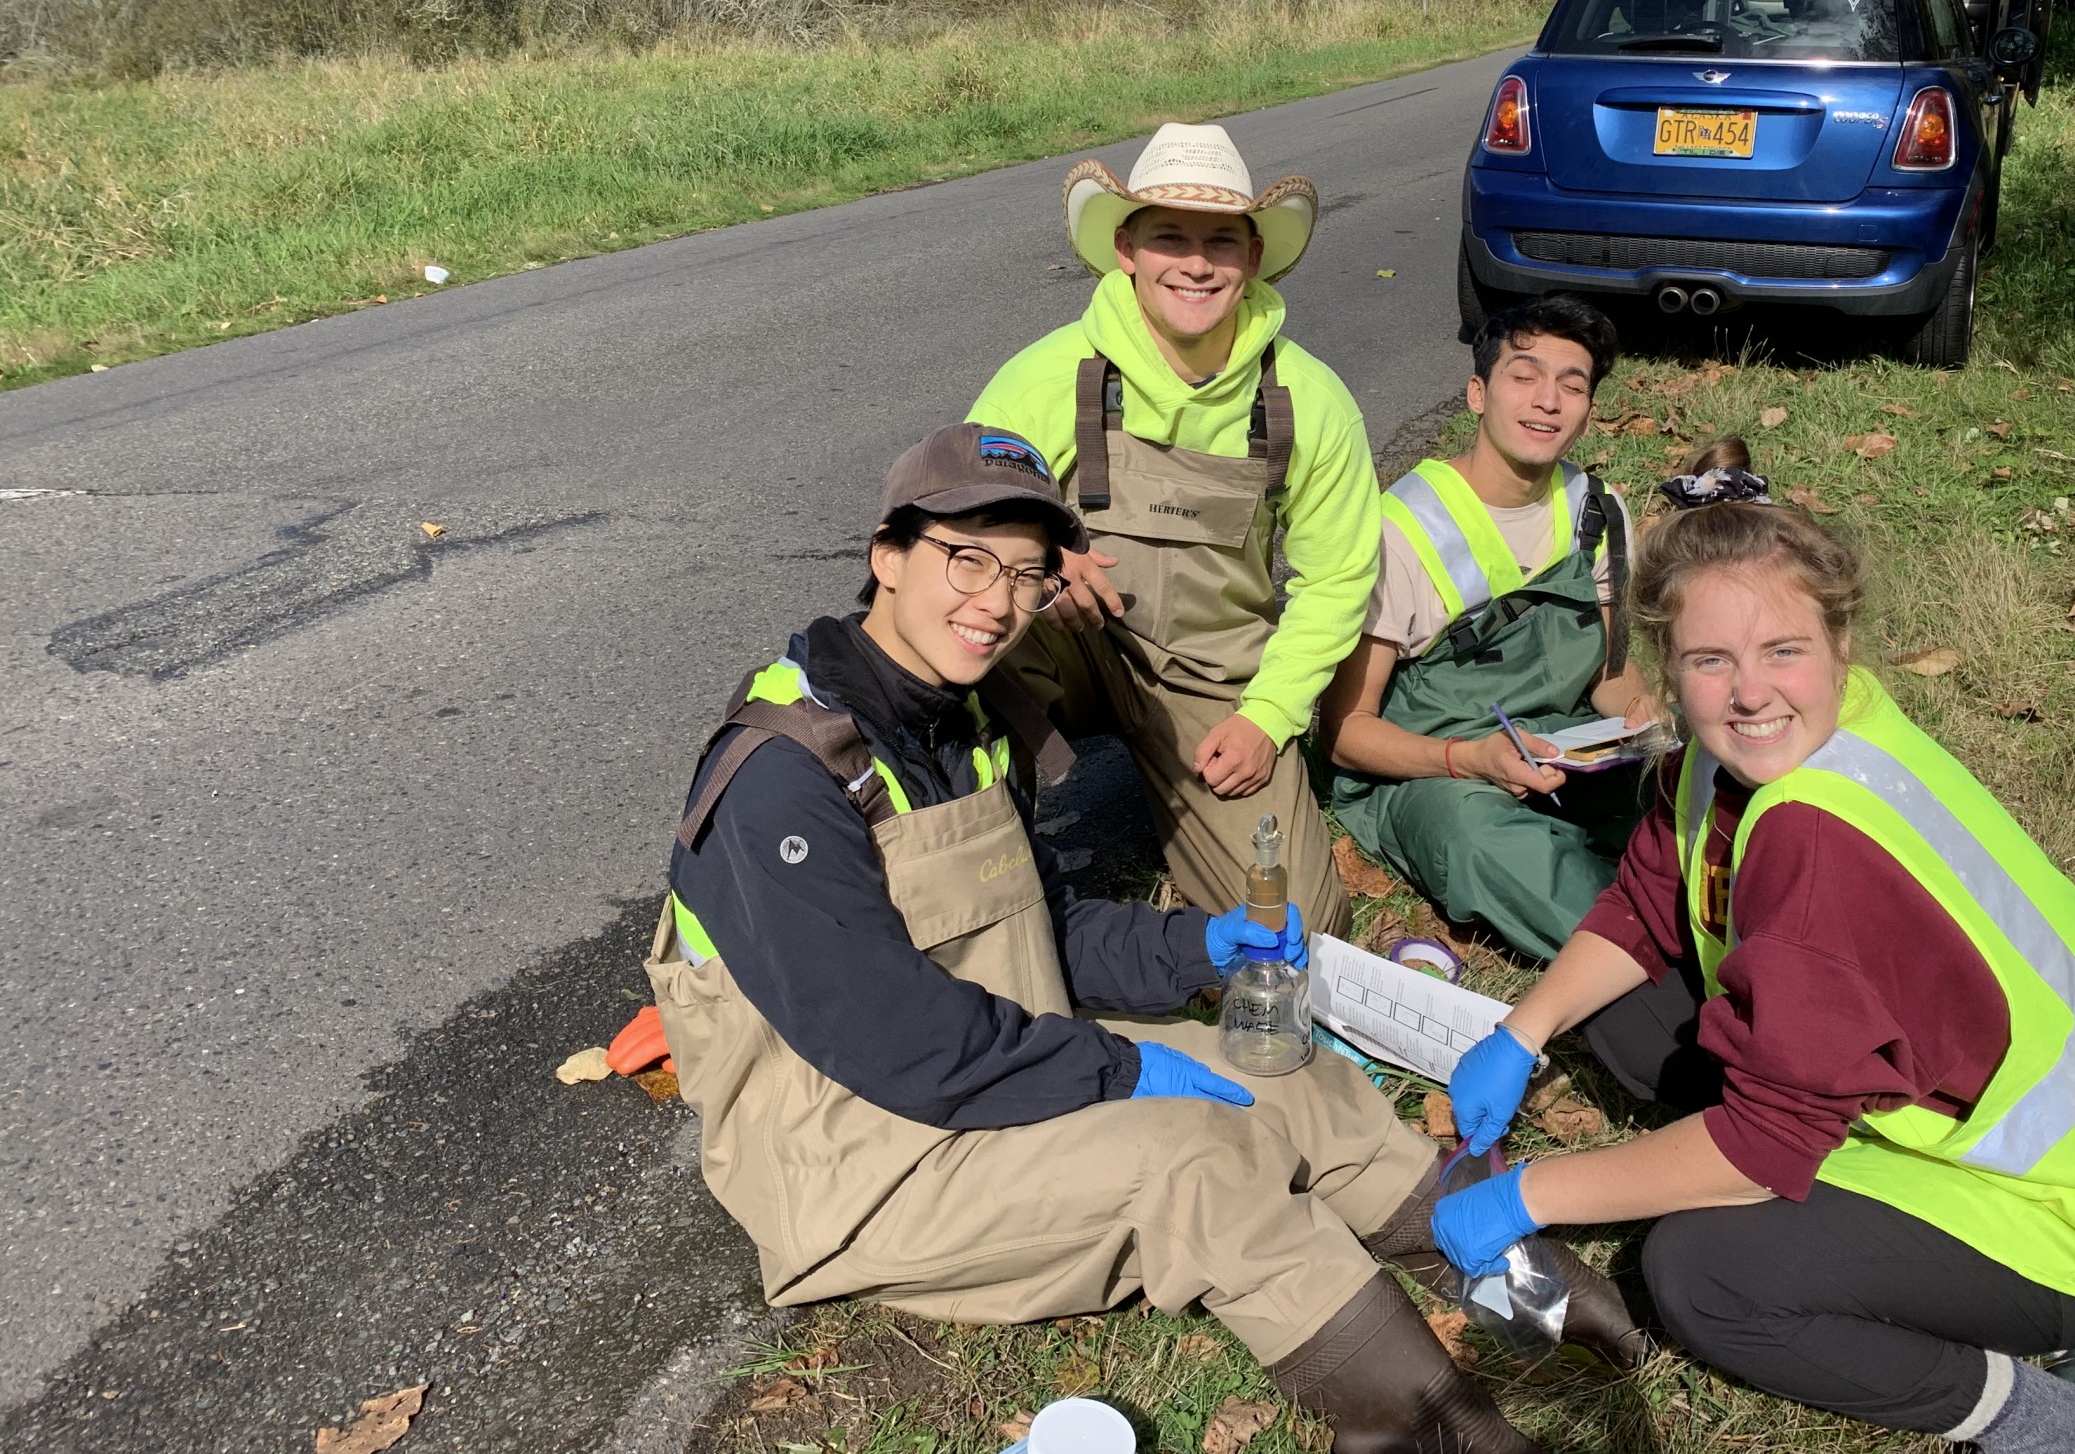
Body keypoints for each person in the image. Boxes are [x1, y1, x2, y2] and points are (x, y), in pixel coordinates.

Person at [647, 424, 1608, 1448]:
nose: (996, 601)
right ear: (886, 555)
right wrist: (1114, 1068)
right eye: (964, 558)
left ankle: (1527, 1287)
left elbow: (1036, 930)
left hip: (987, 1073)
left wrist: (1200, 948)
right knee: (1198, 1158)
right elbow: (899, 1044)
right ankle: (1435, 1431)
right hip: (863, 1161)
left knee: (1277, 1070)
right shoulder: (781, 776)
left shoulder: (961, 722)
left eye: (1024, 573)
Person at [1425, 439, 2075, 1454]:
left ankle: (2044, 1421)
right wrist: (1523, 1028)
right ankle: (1797, 1124)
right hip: (1963, 1087)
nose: (1747, 693)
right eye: (1710, 660)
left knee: (1699, 1275)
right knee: (1630, 1018)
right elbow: (1645, 899)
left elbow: (1763, 1149)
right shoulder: (1755, 752)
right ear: (1666, 670)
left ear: (1839, 647)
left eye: (1781, 652)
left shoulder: (1816, 845)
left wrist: (1527, 1194)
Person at [969, 122, 1375, 935]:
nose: (1196, 263)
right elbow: (957, 530)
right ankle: (972, 848)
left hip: (1211, 673)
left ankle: (1180, 792)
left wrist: (1268, 717)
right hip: (1068, 639)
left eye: (1221, 241)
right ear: (1126, 248)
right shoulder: (1043, 378)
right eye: (1169, 237)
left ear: (1253, 258)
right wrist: (1043, 566)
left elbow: (1336, 581)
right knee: (968, 633)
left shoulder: (1309, 397)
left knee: (1293, 927)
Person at [1320, 294, 1659, 959]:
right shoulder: (1401, 527)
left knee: (1684, 789)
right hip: (1432, 771)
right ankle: (1635, 963)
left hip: (1558, 750)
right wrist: (1471, 759)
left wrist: (1652, 725)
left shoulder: (1600, 509)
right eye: (1524, 376)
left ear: (1588, 410)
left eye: (1573, 384)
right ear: (1478, 393)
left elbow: (1610, 674)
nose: (1548, 401)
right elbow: (1344, 733)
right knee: (1484, 841)